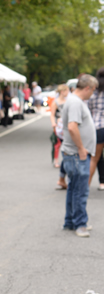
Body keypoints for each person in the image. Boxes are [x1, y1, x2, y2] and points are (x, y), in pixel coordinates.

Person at [60, 74, 98, 237]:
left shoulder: (73, 101)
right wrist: (82, 149)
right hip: (76, 154)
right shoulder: (76, 102)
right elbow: (72, 127)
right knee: (80, 190)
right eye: (93, 90)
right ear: (88, 88)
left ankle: (70, 221)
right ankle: (79, 224)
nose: (93, 94)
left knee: (73, 188)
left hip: (73, 153)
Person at [87, 67, 104, 187]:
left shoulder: (93, 93)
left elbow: (88, 110)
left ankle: (85, 185)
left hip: (97, 127)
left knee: (94, 158)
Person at [50, 84, 69, 175]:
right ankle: (56, 160)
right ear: (62, 91)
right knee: (57, 144)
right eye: (66, 91)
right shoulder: (55, 102)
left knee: (67, 143)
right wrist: (53, 124)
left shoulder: (68, 101)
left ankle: (65, 160)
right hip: (59, 126)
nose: (68, 93)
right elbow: (52, 114)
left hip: (67, 124)